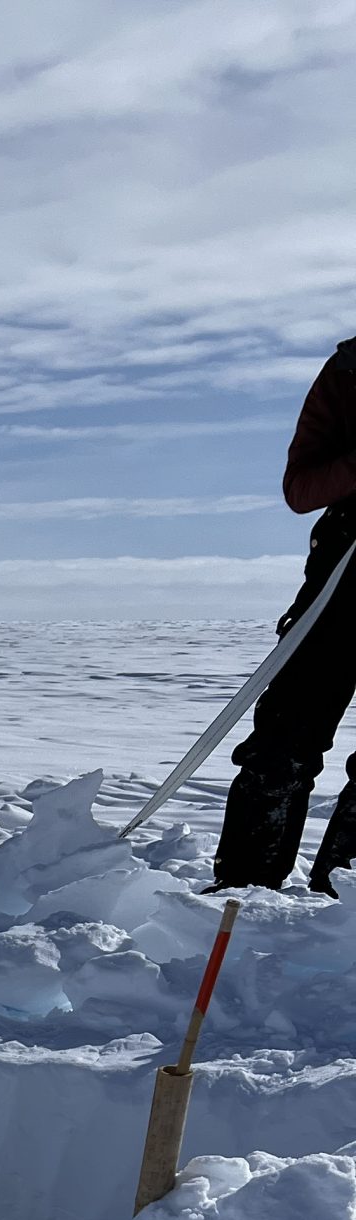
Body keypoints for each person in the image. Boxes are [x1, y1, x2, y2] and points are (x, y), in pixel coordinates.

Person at [213, 337, 356, 893]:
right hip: (341, 580)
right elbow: (301, 490)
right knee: (281, 742)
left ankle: (343, 909)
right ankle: (241, 894)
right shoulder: (348, 370)